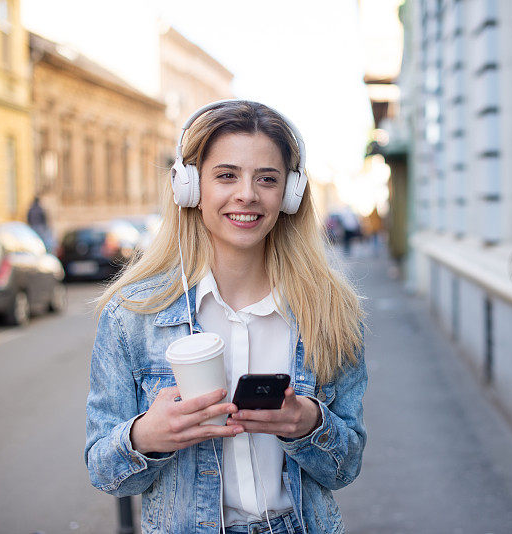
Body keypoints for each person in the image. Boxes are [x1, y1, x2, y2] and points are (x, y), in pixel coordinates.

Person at [85, 100, 367, 534]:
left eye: (267, 179)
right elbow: (104, 472)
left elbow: (345, 469)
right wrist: (146, 437)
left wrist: (309, 424)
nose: (247, 194)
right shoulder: (131, 316)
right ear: (190, 188)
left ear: (290, 196)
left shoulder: (330, 312)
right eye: (226, 175)